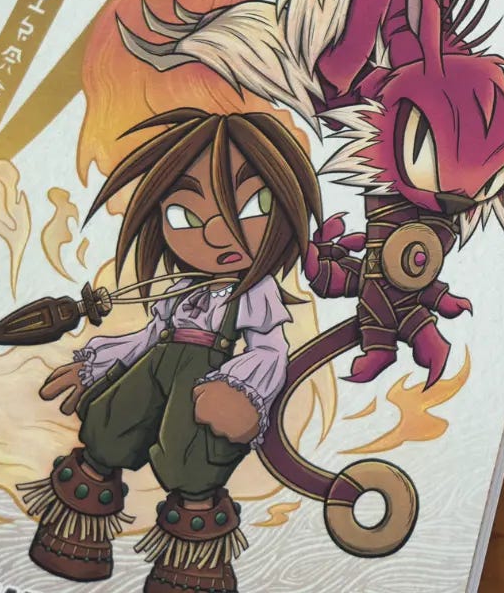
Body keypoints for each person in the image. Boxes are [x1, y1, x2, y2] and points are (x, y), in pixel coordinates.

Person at [20, 108, 319, 593]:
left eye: (252, 205)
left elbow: (270, 348)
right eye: (184, 215)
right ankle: (76, 534)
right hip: (157, 364)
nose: (217, 234)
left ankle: (191, 570)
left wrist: (243, 394)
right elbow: (148, 337)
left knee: (191, 459)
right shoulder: (178, 288)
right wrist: (95, 367)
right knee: (109, 422)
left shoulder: (256, 292)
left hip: (206, 380)